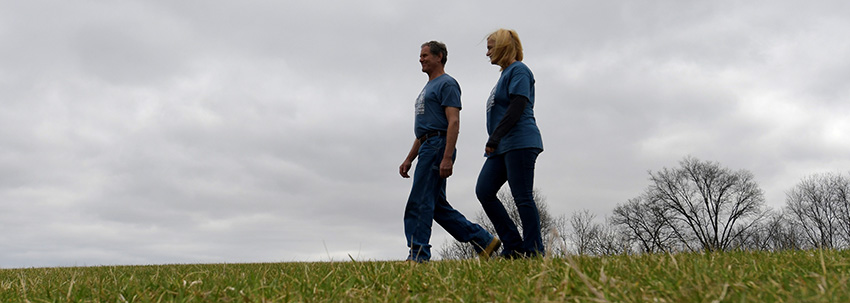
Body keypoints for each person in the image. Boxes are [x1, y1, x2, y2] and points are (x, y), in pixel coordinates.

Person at [400, 41, 501, 262]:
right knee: (436, 206)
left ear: (439, 57)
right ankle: (484, 241)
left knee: (419, 202)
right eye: (420, 55)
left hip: (437, 146)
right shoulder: (427, 87)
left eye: (425, 55)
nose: (421, 59)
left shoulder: (447, 84)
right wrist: (409, 158)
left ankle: (418, 255)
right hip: (427, 145)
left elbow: (453, 122)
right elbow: (422, 131)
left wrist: (447, 156)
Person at [476, 29, 545, 258]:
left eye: (490, 47)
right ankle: (513, 245)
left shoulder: (519, 70)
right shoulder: (504, 75)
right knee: (484, 190)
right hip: (502, 147)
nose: (487, 53)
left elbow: (517, 105)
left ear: (503, 46)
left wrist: (494, 137)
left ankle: (534, 250)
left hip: (520, 141)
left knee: (522, 195)